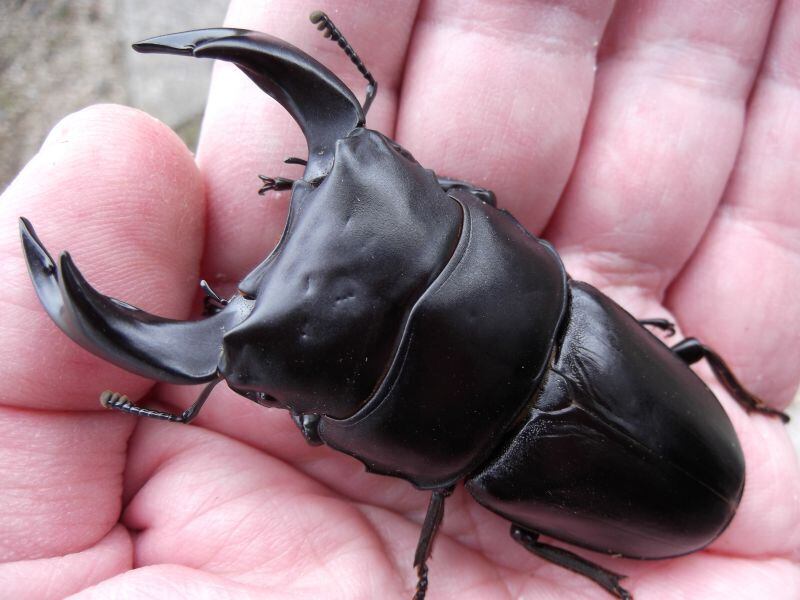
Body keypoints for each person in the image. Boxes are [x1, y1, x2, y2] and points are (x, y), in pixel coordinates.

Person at [1, 1, 798, 598]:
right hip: (623, 406)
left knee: (524, 525)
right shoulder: (574, 310)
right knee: (665, 372)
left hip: (612, 455)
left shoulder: (496, 435)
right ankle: (752, 415)